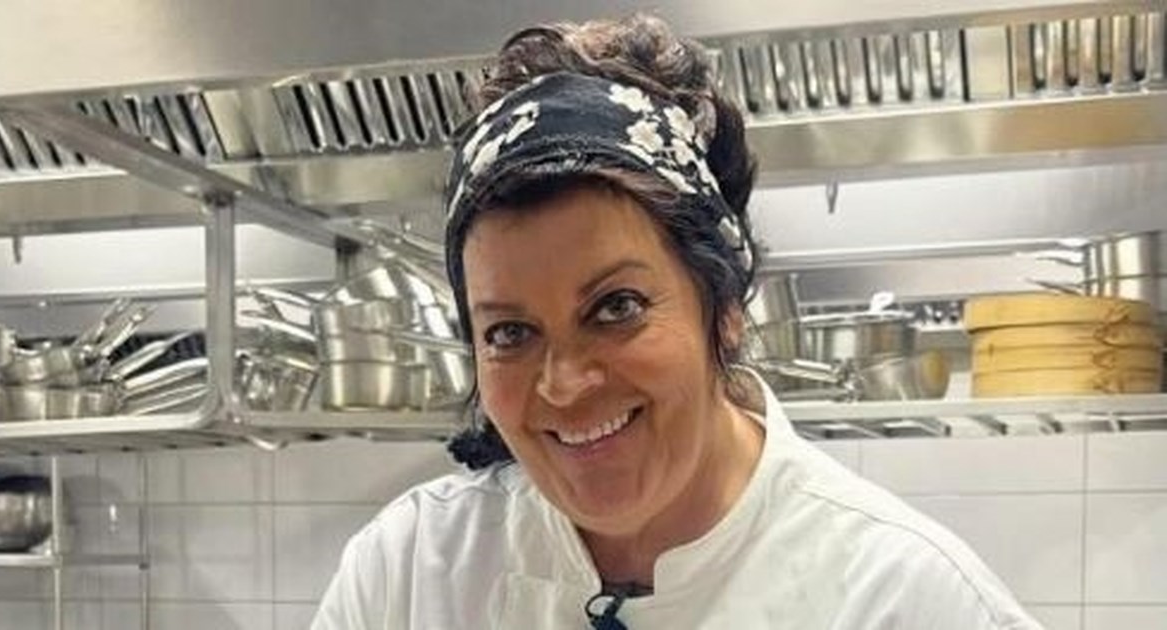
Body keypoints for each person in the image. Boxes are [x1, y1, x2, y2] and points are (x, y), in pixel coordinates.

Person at [312, 15, 1043, 630]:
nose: (563, 383)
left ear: (724, 309)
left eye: (616, 307)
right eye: (509, 332)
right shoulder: (409, 575)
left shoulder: (905, 600)